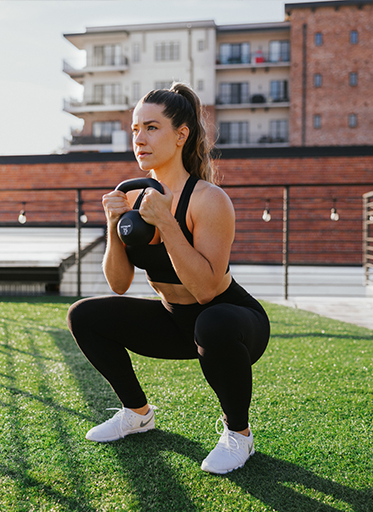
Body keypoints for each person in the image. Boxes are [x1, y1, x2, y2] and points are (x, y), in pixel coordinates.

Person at [67, 82, 270, 475]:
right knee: (84, 315)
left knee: (212, 321)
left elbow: (209, 289)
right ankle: (137, 413)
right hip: (175, 319)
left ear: (181, 135)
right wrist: (113, 226)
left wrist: (168, 224)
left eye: (152, 128)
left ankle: (239, 435)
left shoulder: (208, 199)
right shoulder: (131, 199)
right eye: (135, 129)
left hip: (232, 322)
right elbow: (119, 283)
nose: (139, 139)